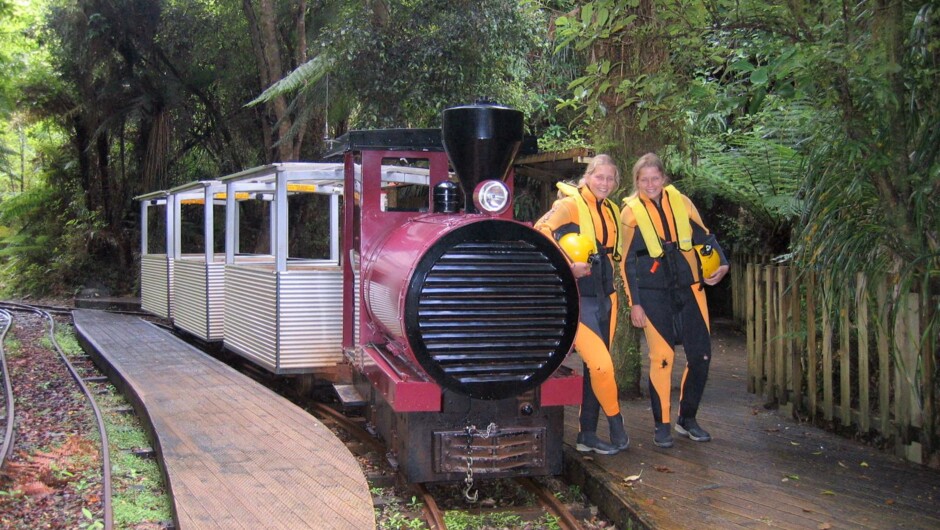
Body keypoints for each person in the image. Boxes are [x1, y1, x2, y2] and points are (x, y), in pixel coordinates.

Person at [620, 153, 729, 448]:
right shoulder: (629, 214)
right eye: (644, 180)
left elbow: (706, 237)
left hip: (691, 289)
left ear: (664, 178)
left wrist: (723, 263)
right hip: (653, 295)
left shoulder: (682, 203)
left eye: (655, 178)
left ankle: (687, 419)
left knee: (701, 356)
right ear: (637, 182)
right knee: (662, 358)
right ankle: (662, 424)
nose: (651, 184)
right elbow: (626, 263)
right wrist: (635, 303)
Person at [535, 154, 629, 455]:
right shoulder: (569, 205)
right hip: (578, 299)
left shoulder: (612, 210)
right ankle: (617, 423)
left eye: (609, 178)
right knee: (602, 364)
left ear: (616, 183)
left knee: (595, 370)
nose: (604, 183)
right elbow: (540, 231)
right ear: (587, 177)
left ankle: (587, 434)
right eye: (598, 176)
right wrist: (567, 265)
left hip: (606, 299)